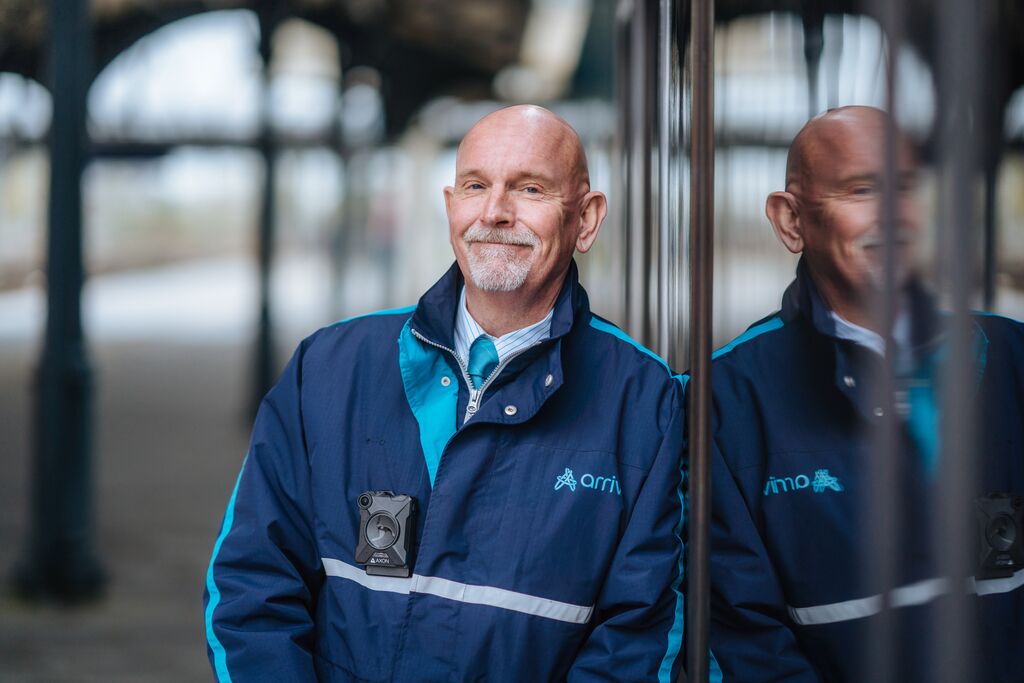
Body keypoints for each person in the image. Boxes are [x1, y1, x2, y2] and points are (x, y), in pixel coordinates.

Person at [204, 105, 689, 682]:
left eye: (529, 188)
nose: (495, 211)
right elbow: (251, 584)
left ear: (585, 219)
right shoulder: (329, 368)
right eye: (475, 185)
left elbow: (639, 634)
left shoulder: (646, 400)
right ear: (450, 205)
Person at [696, 106, 1024, 681]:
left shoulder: (1011, 358)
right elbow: (743, 636)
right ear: (790, 221)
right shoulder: (728, 398)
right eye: (861, 189)